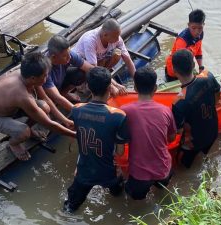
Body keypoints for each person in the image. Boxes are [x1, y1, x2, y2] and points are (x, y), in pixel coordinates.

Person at [0, 52, 76, 161]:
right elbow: (48, 123)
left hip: (12, 108)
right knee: (23, 132)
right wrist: (74, 134)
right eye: (45, 75)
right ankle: (13, 144)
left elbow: (45, 99)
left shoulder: (29, 78)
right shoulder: (22, 95)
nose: (47, 77)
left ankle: (28, 130)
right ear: (33, 78)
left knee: (44, 107)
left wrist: (65, 121)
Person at [64, 67, 130, 212]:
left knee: (70, 207)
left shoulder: (76, 109)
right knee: (119, 194)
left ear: (88, 86)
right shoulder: (119, 116)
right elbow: (119, 153)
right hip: (108, 172)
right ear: (109, 87)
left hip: (84, 170)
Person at [121, 66, 176, 200]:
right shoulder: (165, 110)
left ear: (134, 88)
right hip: (164, 171)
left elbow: (120, 140)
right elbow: (172, 138)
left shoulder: (124, 111)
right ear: (155, 88)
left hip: (139, 175)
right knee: (162, 193)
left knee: (133, 200)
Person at [171, 49, 221, 168]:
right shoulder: (207, 76)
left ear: (174, 71)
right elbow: (217, 95)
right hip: (213, 130)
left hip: (193, 142)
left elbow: (178, 130)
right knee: (204, 154)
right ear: (193, 65)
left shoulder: (179, 102)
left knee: (182, 165)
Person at [73, 18, 135, 96]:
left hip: (98, 62)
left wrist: (136, 81)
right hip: (83, 66)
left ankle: (104, 78)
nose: (118, 39)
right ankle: (87, 84)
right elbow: (94, 70)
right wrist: (113, 85)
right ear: (105, 35)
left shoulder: (117, 38)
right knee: (84, 74)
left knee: (117, 54)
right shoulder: (90, 40)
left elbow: (128, 60)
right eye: (115, 37)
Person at [43, 35, 93, 111]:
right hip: (49, 92)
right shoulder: (44, 70)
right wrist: (80, 112)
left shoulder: (68, 55)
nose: (69, 57)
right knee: (49, 104)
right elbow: (57, 97)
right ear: (53, 57)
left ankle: (64, 93)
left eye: (69, 53)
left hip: (60, 81)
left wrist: (111, 83)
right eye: (65, 56)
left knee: (81, 73)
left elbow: (90, 68)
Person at [165, 9, 206, 81]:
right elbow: (180, 62)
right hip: (174, 71)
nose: (197, 32)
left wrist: (201, 67)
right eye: (193, 28)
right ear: (189, 25)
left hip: (187, 67)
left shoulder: (200, 34)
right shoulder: (182, 40)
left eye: (200, 28)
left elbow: (198, 51)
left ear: (203, 25)